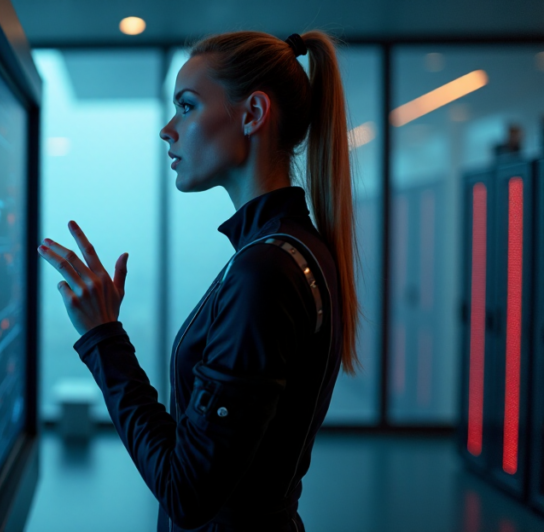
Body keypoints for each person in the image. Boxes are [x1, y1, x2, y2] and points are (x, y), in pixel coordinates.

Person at [37, 30, 359, 532]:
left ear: (253, 114)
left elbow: (186, 493)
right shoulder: (293, 249)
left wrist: (103, 338)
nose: (168, 129)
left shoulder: (265, 271)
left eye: (186, 107)